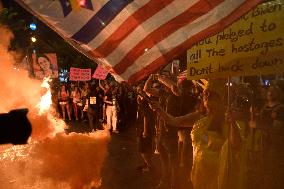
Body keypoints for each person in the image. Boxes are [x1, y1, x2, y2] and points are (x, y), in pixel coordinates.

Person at [150, 79, 242, 189]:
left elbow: (236, 145)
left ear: (219, 100)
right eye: (205, 97)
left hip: (218, 171)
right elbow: (174, 121)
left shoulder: (226, 119)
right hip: (200, 169)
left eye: (211, 97)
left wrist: (232, 123)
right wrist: (159, 110)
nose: (207, 99)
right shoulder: (199, 117)